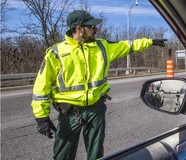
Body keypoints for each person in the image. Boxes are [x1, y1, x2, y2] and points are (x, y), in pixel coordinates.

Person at [31, 10, 167, 160]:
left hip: (96, 110)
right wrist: (41, 117)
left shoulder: (102, 46)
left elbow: (127, 45)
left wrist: (150, 42)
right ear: (79, 29)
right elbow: (41, 86)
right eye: (91, 26)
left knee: (96, 155)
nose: (96, 29)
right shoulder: (56, 52)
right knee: (62, 156)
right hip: (69, 113)